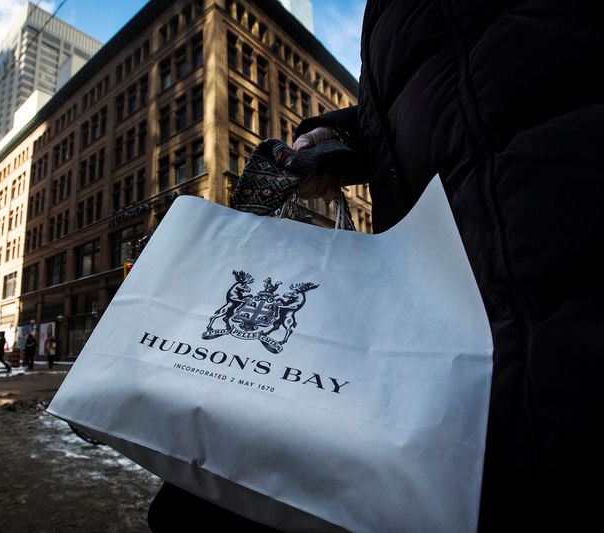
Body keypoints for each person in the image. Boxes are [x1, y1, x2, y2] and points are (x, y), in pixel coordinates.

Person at [150, 2, 603, 531]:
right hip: (441, 294)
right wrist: (342, 139)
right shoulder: (387, 12)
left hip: (549, 265)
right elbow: (431, 96)